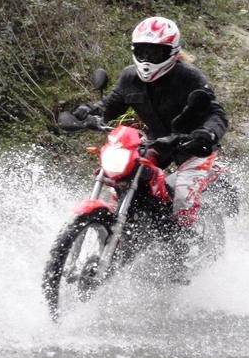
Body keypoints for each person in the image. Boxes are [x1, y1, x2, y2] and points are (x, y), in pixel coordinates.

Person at [72, 16, 228, 282]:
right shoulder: (130, 78)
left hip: (191, 146)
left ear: (172, 52)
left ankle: (181, 256)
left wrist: (208, 133)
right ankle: (122, 233)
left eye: (155, 52)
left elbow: (216, 112)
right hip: (156, 143)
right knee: (123, 179)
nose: (148, 58)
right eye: (143, 51)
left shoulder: (189, 77)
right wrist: (89, 113)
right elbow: (111, 105)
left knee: (181, 201)